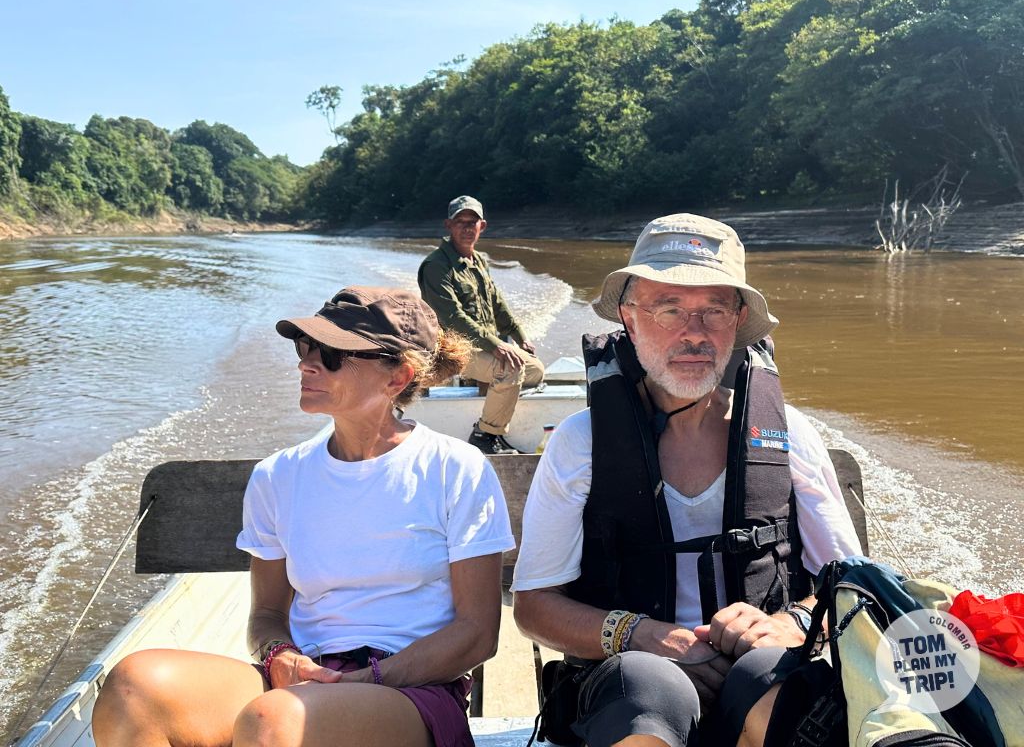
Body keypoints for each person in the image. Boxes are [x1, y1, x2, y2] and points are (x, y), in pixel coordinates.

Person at [92, 286, 516, 747]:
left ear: (397, 377)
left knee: (274, 721)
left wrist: (368, 679)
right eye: (305, 348)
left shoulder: (455, 468)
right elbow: (268, 613)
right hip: (301, 681)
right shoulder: (278, 476)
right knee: (134, 688)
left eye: (331, 355)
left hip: (412, 690)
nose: (306, 365)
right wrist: (280, 653)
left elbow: (477, 634)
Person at [512, 214, 864, 747]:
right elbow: (535, 606)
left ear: (738, 321)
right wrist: (642, 635)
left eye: (714, 310)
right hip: (630, 686)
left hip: (759, 672)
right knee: (648, 686)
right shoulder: (581, 442)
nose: (693, 333)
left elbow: (854, 587)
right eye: (669, 308)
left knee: (772, 680)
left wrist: (793, 622)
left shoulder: (788, 435)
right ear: (629, 318)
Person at [418, 195, 545, 454]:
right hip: (453, 349)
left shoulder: (479, 261)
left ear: (482, 226)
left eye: (472, 222)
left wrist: (519, 336)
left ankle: (492, 392)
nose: (467, 228)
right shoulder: (435, 266)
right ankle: (484, 435)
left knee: (536, 370)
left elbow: (497, 303)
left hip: (483, 345)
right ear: (448, 225)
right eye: (460, 222)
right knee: (509, 369)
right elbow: (453, 318)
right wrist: (497, 345)